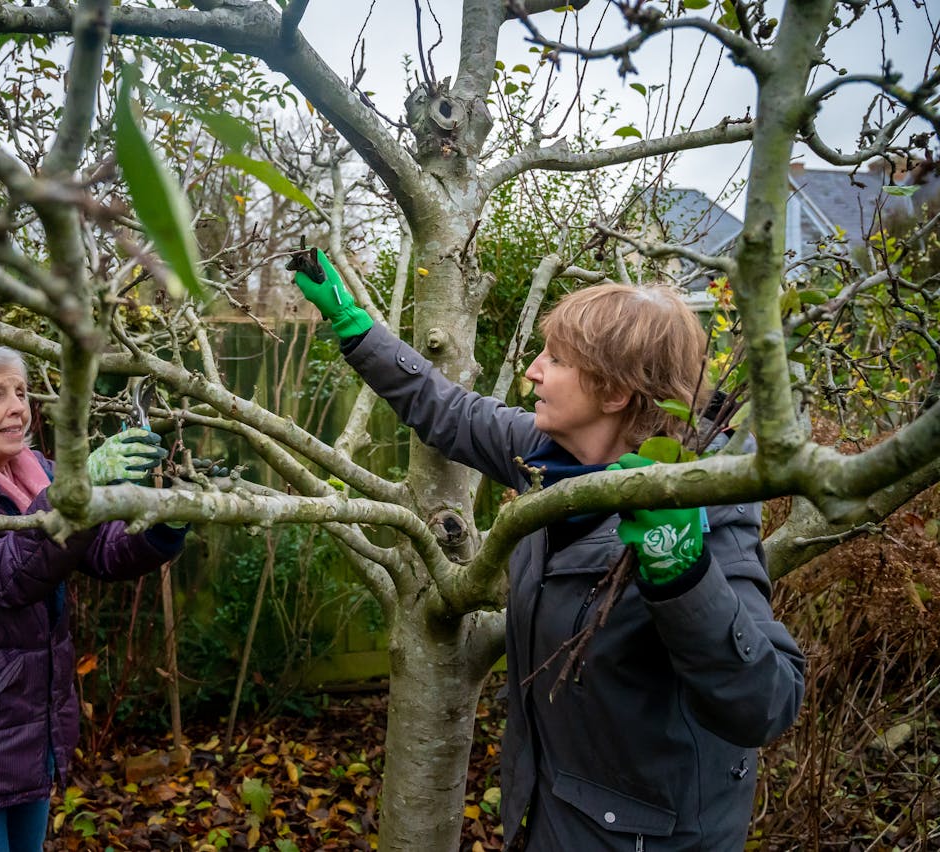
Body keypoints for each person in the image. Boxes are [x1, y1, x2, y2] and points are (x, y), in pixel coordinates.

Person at [290, 250, 805, 851]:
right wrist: (357, 330)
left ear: (613, 391)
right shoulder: (551, 457)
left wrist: (683, 572)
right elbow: (449, 411)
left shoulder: (704, 506)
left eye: (555, 359)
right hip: (550, 820)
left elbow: (766, 704)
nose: (532, 371)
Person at [0, 339, 186, 852]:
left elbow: (104, 553)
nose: (18, 406)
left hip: (30, 731)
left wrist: (167, 521)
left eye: (20, 392)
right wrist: (75, 484)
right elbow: (2, 573)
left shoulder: (35, 473)